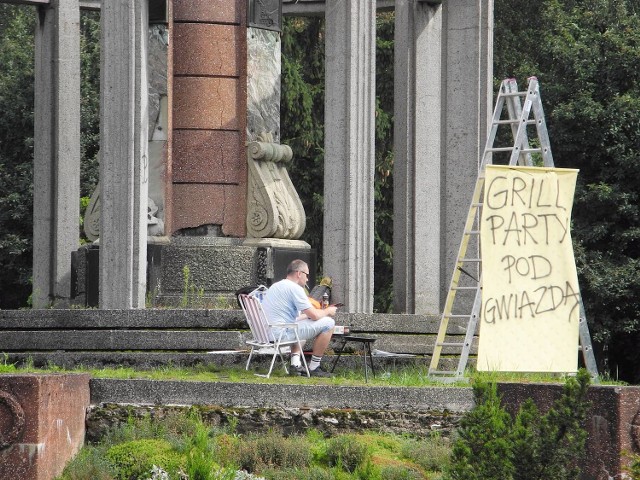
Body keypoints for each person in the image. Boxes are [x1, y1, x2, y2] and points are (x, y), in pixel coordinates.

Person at [262, 259, 337, 377]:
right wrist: (328, 311)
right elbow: (315, 315)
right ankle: (314, 367)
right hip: (281, 334)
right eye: (306, 275)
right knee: (329, 323)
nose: (307, 279)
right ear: (299, 273)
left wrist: (308, 316)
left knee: (304, 322)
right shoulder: (295, 288)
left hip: (269, 332)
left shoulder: (275, 286)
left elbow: (298, 317)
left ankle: (295, 364)